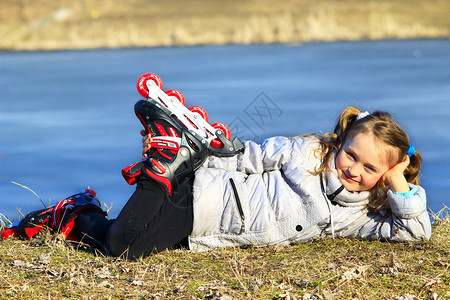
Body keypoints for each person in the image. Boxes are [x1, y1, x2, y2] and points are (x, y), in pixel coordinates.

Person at [3, 106, 432, 259]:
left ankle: (77, 212)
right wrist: (206, 156)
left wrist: (400, 185)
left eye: (370, 169)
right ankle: (166, 166)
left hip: (203, 234)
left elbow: (415, 232)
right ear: (340, 143)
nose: (353, 169)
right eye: (351, 155)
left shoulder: (358, 216)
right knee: (124, 247)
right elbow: (247, 157)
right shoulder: (308, 155)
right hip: (202, 195)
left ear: (383, 178)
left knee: (113, 239)